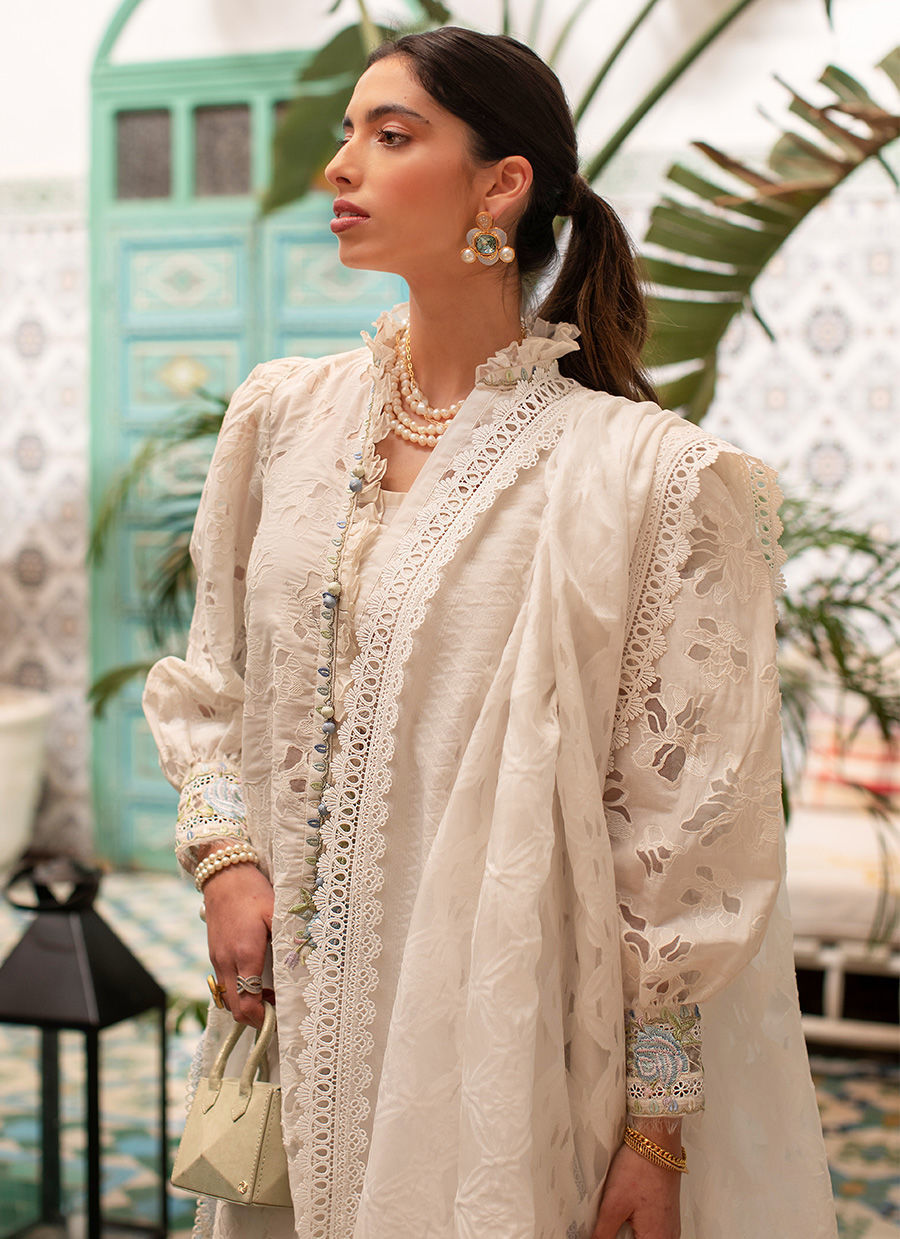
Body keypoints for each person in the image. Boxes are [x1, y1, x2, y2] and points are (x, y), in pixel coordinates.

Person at [143, 26, 837, 1239]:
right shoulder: (281, 422)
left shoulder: (646, 478)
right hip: (293, 1024)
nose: (340, 167)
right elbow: (217, 681)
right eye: (348, 133)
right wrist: (226, 859)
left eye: (391, 135)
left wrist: (657, 1129)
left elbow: (683, 839)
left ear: (501, 185)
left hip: (504, 1050)